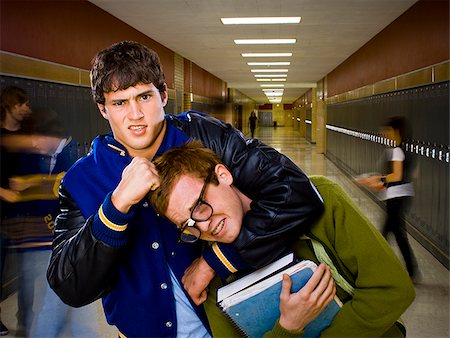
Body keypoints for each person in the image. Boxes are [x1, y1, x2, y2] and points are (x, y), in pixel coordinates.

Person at [46, 41, 324, 337]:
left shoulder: (207, 137)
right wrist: (115, 207)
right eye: (120, 103)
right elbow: (69, 285)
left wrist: (214, 261)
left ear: (164, 95)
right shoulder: (81, 179)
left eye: (144, 96)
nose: (135, 114)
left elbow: (295, 192)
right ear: (103, 109)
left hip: (226, 325)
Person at [150, 140, 416, 337]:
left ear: (223, 174)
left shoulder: (321, 198)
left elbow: (392, 290)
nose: (205, 225)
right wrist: (288, 327)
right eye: (188, 225)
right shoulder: (210, 277)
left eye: (200, 205)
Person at [357, 116, 419, 279]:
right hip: (400, 195)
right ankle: (411, 271)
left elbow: (397, 175)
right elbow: (411, 174)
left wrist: (380, 179)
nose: (384, 134)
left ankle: (375, 268)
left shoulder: (397, 151)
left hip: (397, 198)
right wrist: (377, 180)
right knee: (394, 233)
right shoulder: (405, 150)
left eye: (387, 131)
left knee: (388, 233)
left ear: (396, 131)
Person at [0, 85, 32, 336]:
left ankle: (25, 320)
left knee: (27, 273)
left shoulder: (25, 135)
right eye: (22, 104)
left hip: (24, 216)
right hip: (2, 215)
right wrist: (5, 193)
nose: (26, 108)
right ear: (11, 106)